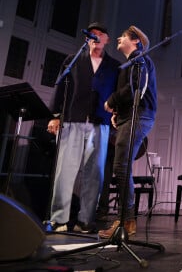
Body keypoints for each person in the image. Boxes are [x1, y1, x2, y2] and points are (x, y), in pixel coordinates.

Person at [48, 22, 119, 233]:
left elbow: (117, 93)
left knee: (94, 172)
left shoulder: (114, 66)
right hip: (73, 119)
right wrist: (55, 116)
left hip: (100, 122)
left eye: (101, 34)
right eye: (92, 34)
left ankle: (85, 220)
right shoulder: (73, 60)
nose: (96, 37)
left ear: (107, 39)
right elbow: (60, 87)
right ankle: (58, 218)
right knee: (65, 171)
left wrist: (115, 113)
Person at [98, 25, 157, 239]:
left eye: (123, 36)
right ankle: (127, 220)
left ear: (136, 41)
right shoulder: (130, 63)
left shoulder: (140, 60)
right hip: (131, 115)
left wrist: (111, 101)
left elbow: (135, 87)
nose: (118, 39)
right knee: (121, 167)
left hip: (140, 116)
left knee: (121, 167)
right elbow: (132, 93)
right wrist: (118, 111)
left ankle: (126, 220)